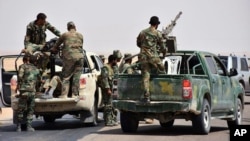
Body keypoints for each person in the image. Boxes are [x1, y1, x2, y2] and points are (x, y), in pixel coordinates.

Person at [50, 21, 84, 98]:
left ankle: (64, 94)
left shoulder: (65, 35)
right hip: (80, 58)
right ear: (75, 27)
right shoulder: (81, 35)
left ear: (68, 28)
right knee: (76, 77)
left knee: (66, 77)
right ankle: (74, 95)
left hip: (69, 58)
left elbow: (56, 45)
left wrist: (54, 49)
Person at [136, 16, 166, 102]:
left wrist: (144, 48)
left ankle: (147, 96)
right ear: (156, 24)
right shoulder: (157, 33)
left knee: (146, 76)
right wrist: (164, 52)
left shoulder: (142, 32)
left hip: (143, 57)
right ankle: (163, 92)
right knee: (162, 70)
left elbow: (138, 43)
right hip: (154, 58)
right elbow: (163, 47)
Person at [16, 54, 41, 132]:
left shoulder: (23, 67)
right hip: (32, 92)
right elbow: (39, 80)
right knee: (30, 109)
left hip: (23, 91)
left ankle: (19, 127)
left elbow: (20, 76)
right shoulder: (36, 69)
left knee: (21, 109)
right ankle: (29, 126)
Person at [99, 54, 118, 126]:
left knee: (112, 105)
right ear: (113, 60)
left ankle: (112, 119)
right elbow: (105, 79)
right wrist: (108, 89)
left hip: (113, 89)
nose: (116, 62)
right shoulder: (105, 68)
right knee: (108, 105)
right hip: (108, 90)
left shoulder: (112, 68)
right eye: (116, 60)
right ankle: (107, 121)